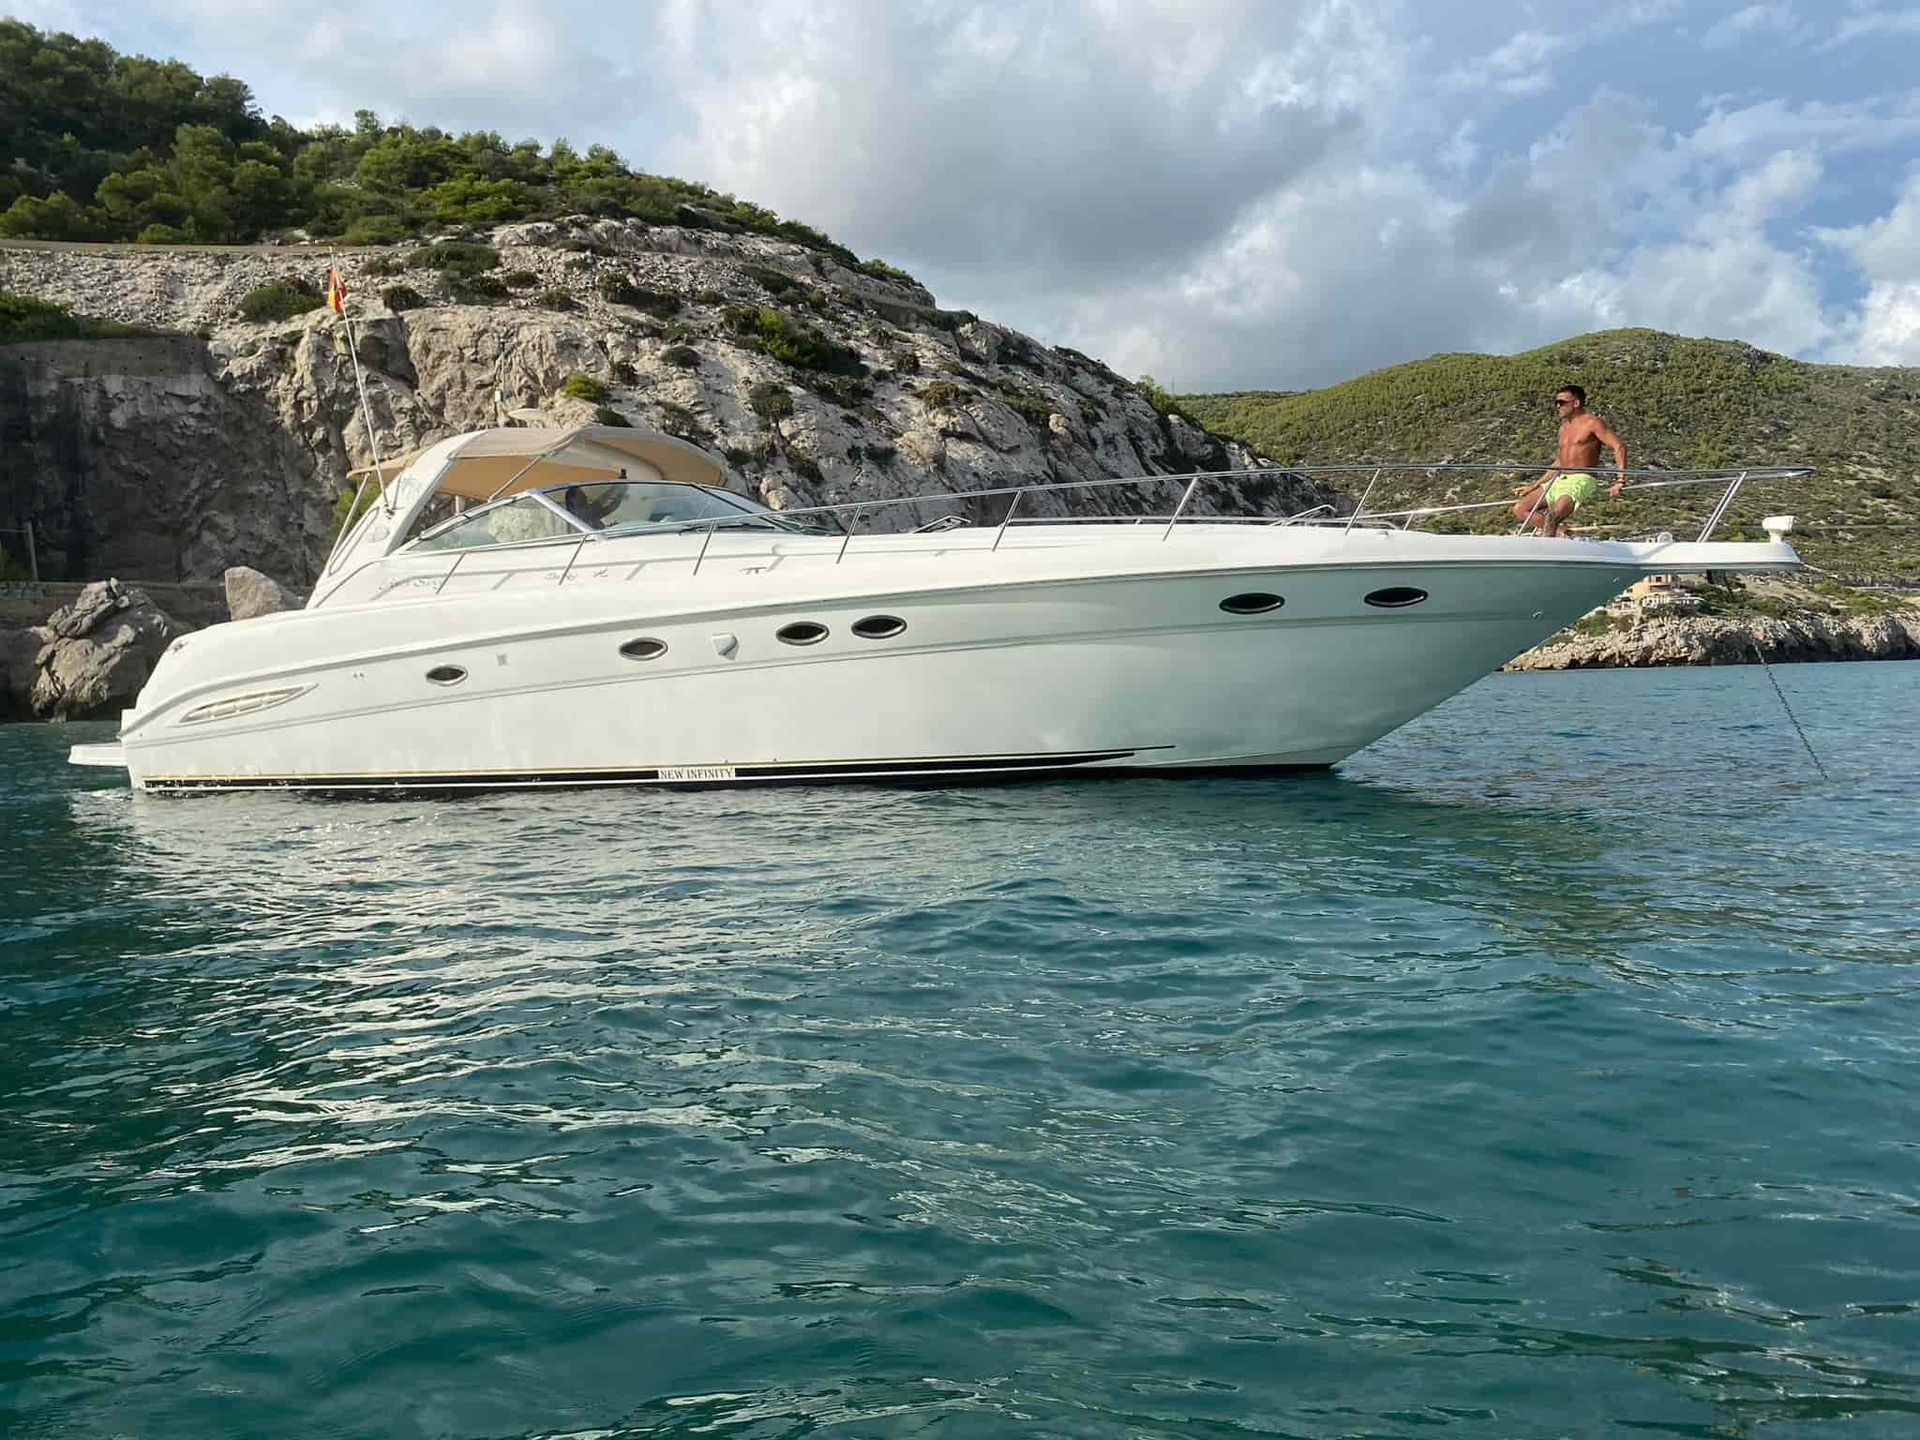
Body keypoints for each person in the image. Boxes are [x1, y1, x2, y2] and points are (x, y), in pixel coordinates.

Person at [1512, 384, 1626, 538]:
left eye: (1562, 402)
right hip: (1560, 479)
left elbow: (1619, 446)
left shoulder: (1592, 422)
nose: (1558, 406)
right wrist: (1533, 486)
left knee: (1554, 514)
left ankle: (1549, 547)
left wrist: (1620, 480)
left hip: (1581, 479)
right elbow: (1559, 462)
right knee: (1520, 509)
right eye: (1556, 403)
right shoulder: (1563, 429)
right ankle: (1563, 533)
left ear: (1576, 403)